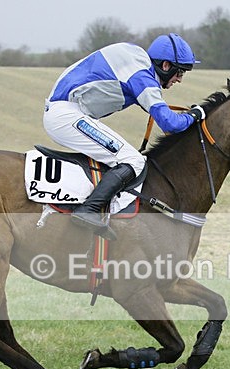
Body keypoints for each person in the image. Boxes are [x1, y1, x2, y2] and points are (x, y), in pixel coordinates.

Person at [43, 33, 203, 240]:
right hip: (66, 115)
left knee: (123, 156)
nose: (180, 79)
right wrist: (196, 115)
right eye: (180, 72)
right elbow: (169, 123)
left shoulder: (136, 58)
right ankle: (88, 210)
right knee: (133, 160)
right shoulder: (143, 77)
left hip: (66, 111)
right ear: (165, 66)